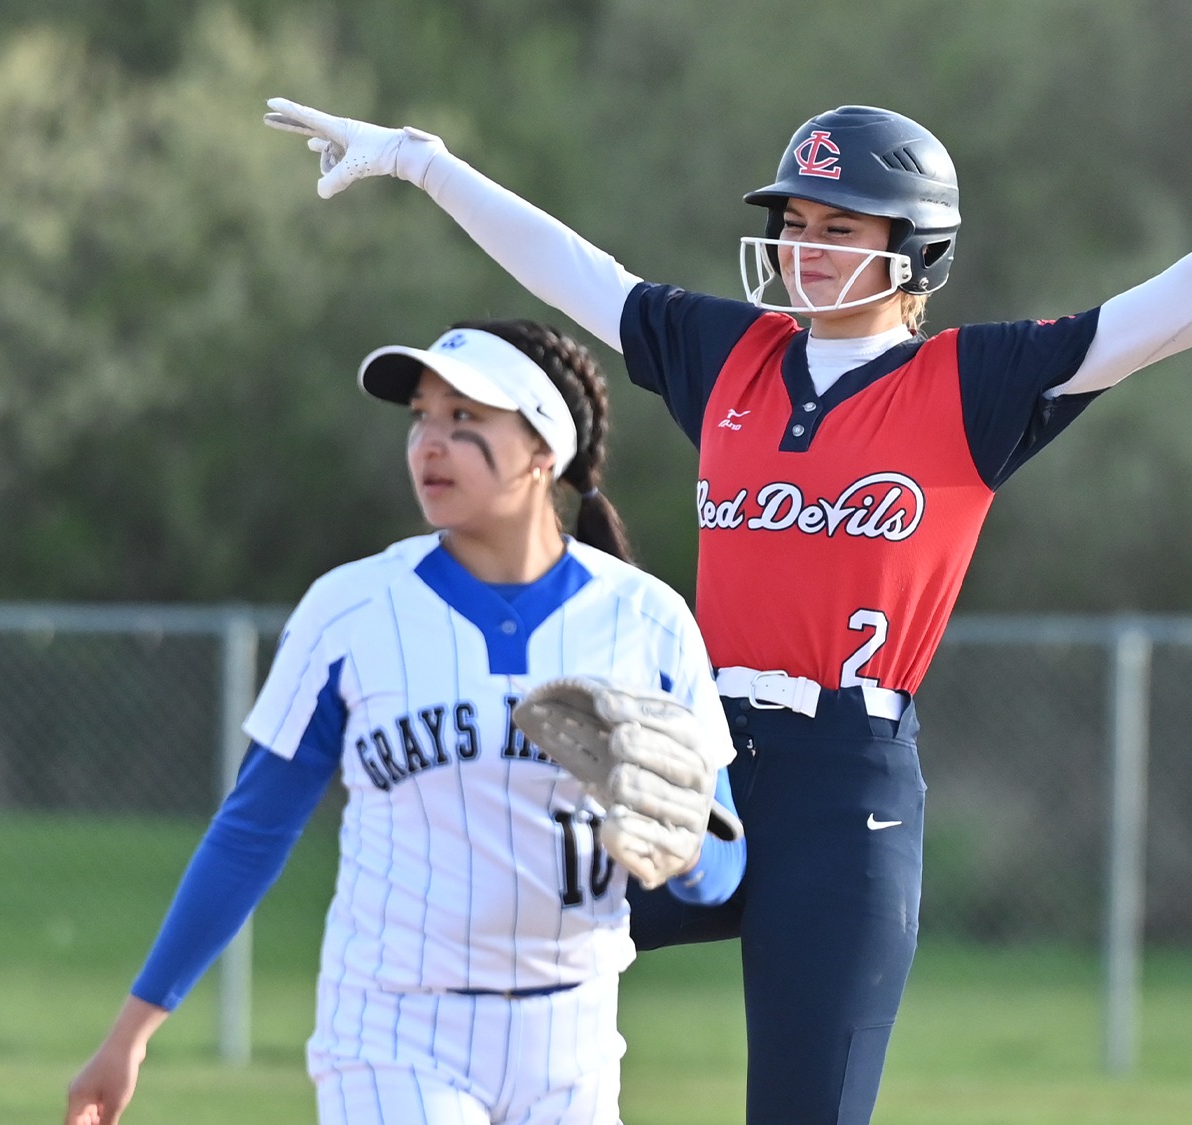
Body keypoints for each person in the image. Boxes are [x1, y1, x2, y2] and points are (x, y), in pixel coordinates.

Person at [263, 97, 1192, 1124]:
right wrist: (420, 158)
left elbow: (1161, 316)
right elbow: (574, 272)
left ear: (914, 250)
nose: (803, 247)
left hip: (849, 788)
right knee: (482, 940)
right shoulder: (731, 353)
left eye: (838, 228)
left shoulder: (970, 382)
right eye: (792, 224)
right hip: (698, 762)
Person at [64, 319, 745, 1125]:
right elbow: (251, 832)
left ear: (541, 451)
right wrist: (132, 1032)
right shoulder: (351, 612)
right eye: (422, 416)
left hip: (574, 1036)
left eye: (466, 419)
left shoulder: (646, 620)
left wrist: (685, 852)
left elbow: (723, 868)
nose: (430, 441)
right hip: (394, 1027)